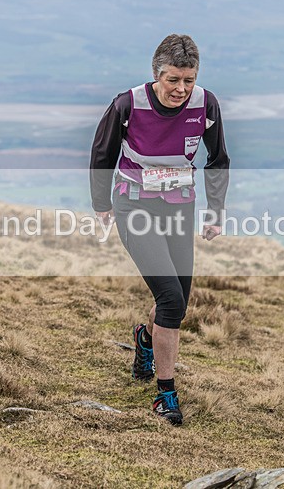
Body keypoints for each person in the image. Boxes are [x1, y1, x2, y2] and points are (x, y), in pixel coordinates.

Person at [89, 34, 230, 425]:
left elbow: (218, 159)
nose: (180, 89)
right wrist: (102, 204)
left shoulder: (207, 104)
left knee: (177, 302)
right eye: (172, 80)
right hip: (134, 205)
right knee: (170, 298)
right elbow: (102, 153)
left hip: (178, 207)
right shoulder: (127, 104)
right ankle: (165, 395)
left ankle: (145, 339)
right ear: (157, 74)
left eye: (188, 80)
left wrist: (215, 210)